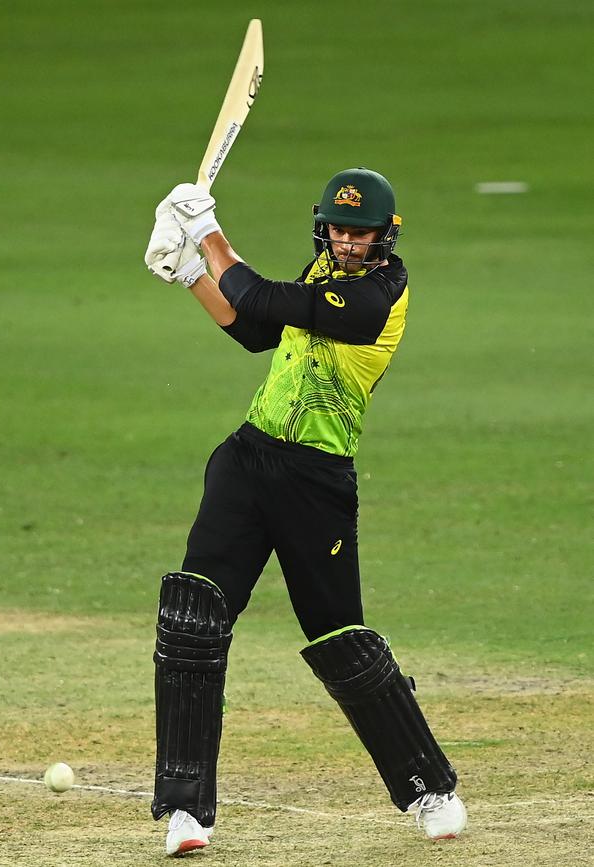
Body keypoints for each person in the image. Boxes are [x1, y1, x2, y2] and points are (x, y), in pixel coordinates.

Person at [144, 168, 467, 856]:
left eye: (362, 233)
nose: (348, 243)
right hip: (249, 459)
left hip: (317, 478)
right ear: (325, 227)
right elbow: (255, 326)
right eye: (340, 230)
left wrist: (207, 234)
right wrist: (188, 273)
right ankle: (186, 811)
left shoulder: (380, 295)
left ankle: (428, 788)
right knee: (193, 619)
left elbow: (259, 292)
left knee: (339, 638)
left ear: (386, 235)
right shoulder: (322, 270)